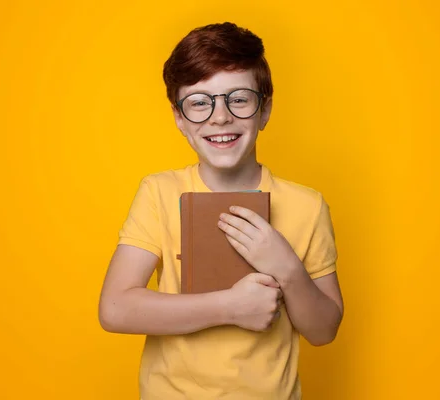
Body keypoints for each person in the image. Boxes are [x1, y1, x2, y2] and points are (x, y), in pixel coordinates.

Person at [98, 22, 344, 400]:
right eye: (200, 102)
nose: (220, 117)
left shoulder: (306, 205)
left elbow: (324, 330)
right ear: (179, 118)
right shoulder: (160, 193)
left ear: (265, 109)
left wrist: (288, 268)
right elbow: (115, 309)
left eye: (239, 99)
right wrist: (230, 307)